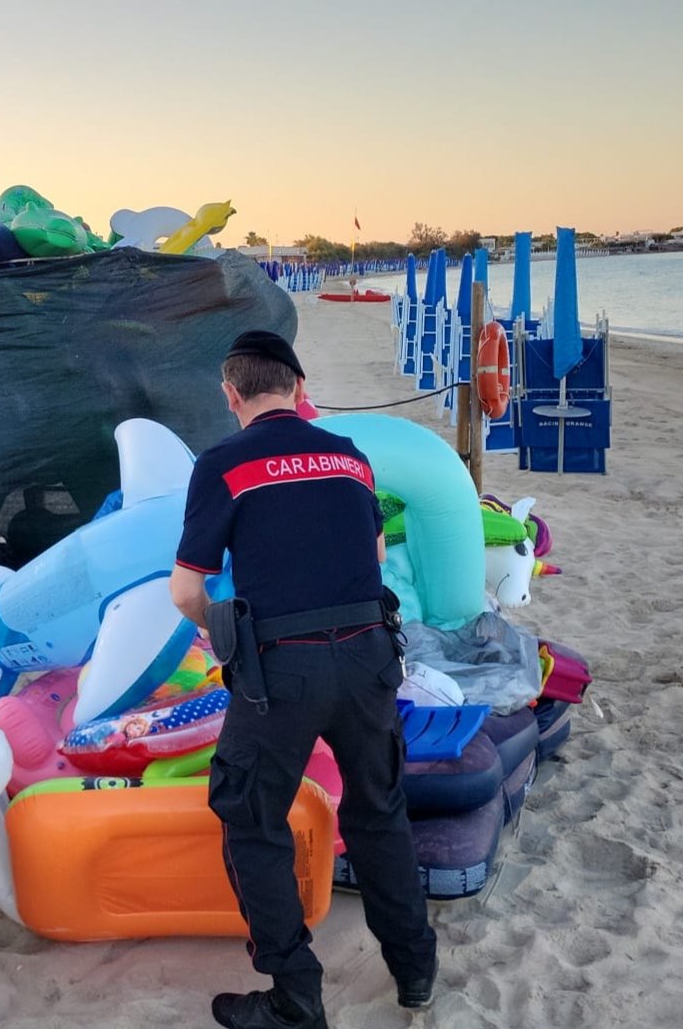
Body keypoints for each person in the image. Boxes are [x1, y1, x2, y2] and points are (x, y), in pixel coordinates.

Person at [168, 330, 437, 1029]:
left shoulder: (222, 463)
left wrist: (220, 630)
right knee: (378, 811)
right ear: (299, 387)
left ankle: (295, 994)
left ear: (230, 394)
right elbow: (375, 555)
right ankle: (414, 968)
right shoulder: (349, 456)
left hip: (280, 668)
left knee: (252, 819)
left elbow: (185, 589)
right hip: (368, 655)